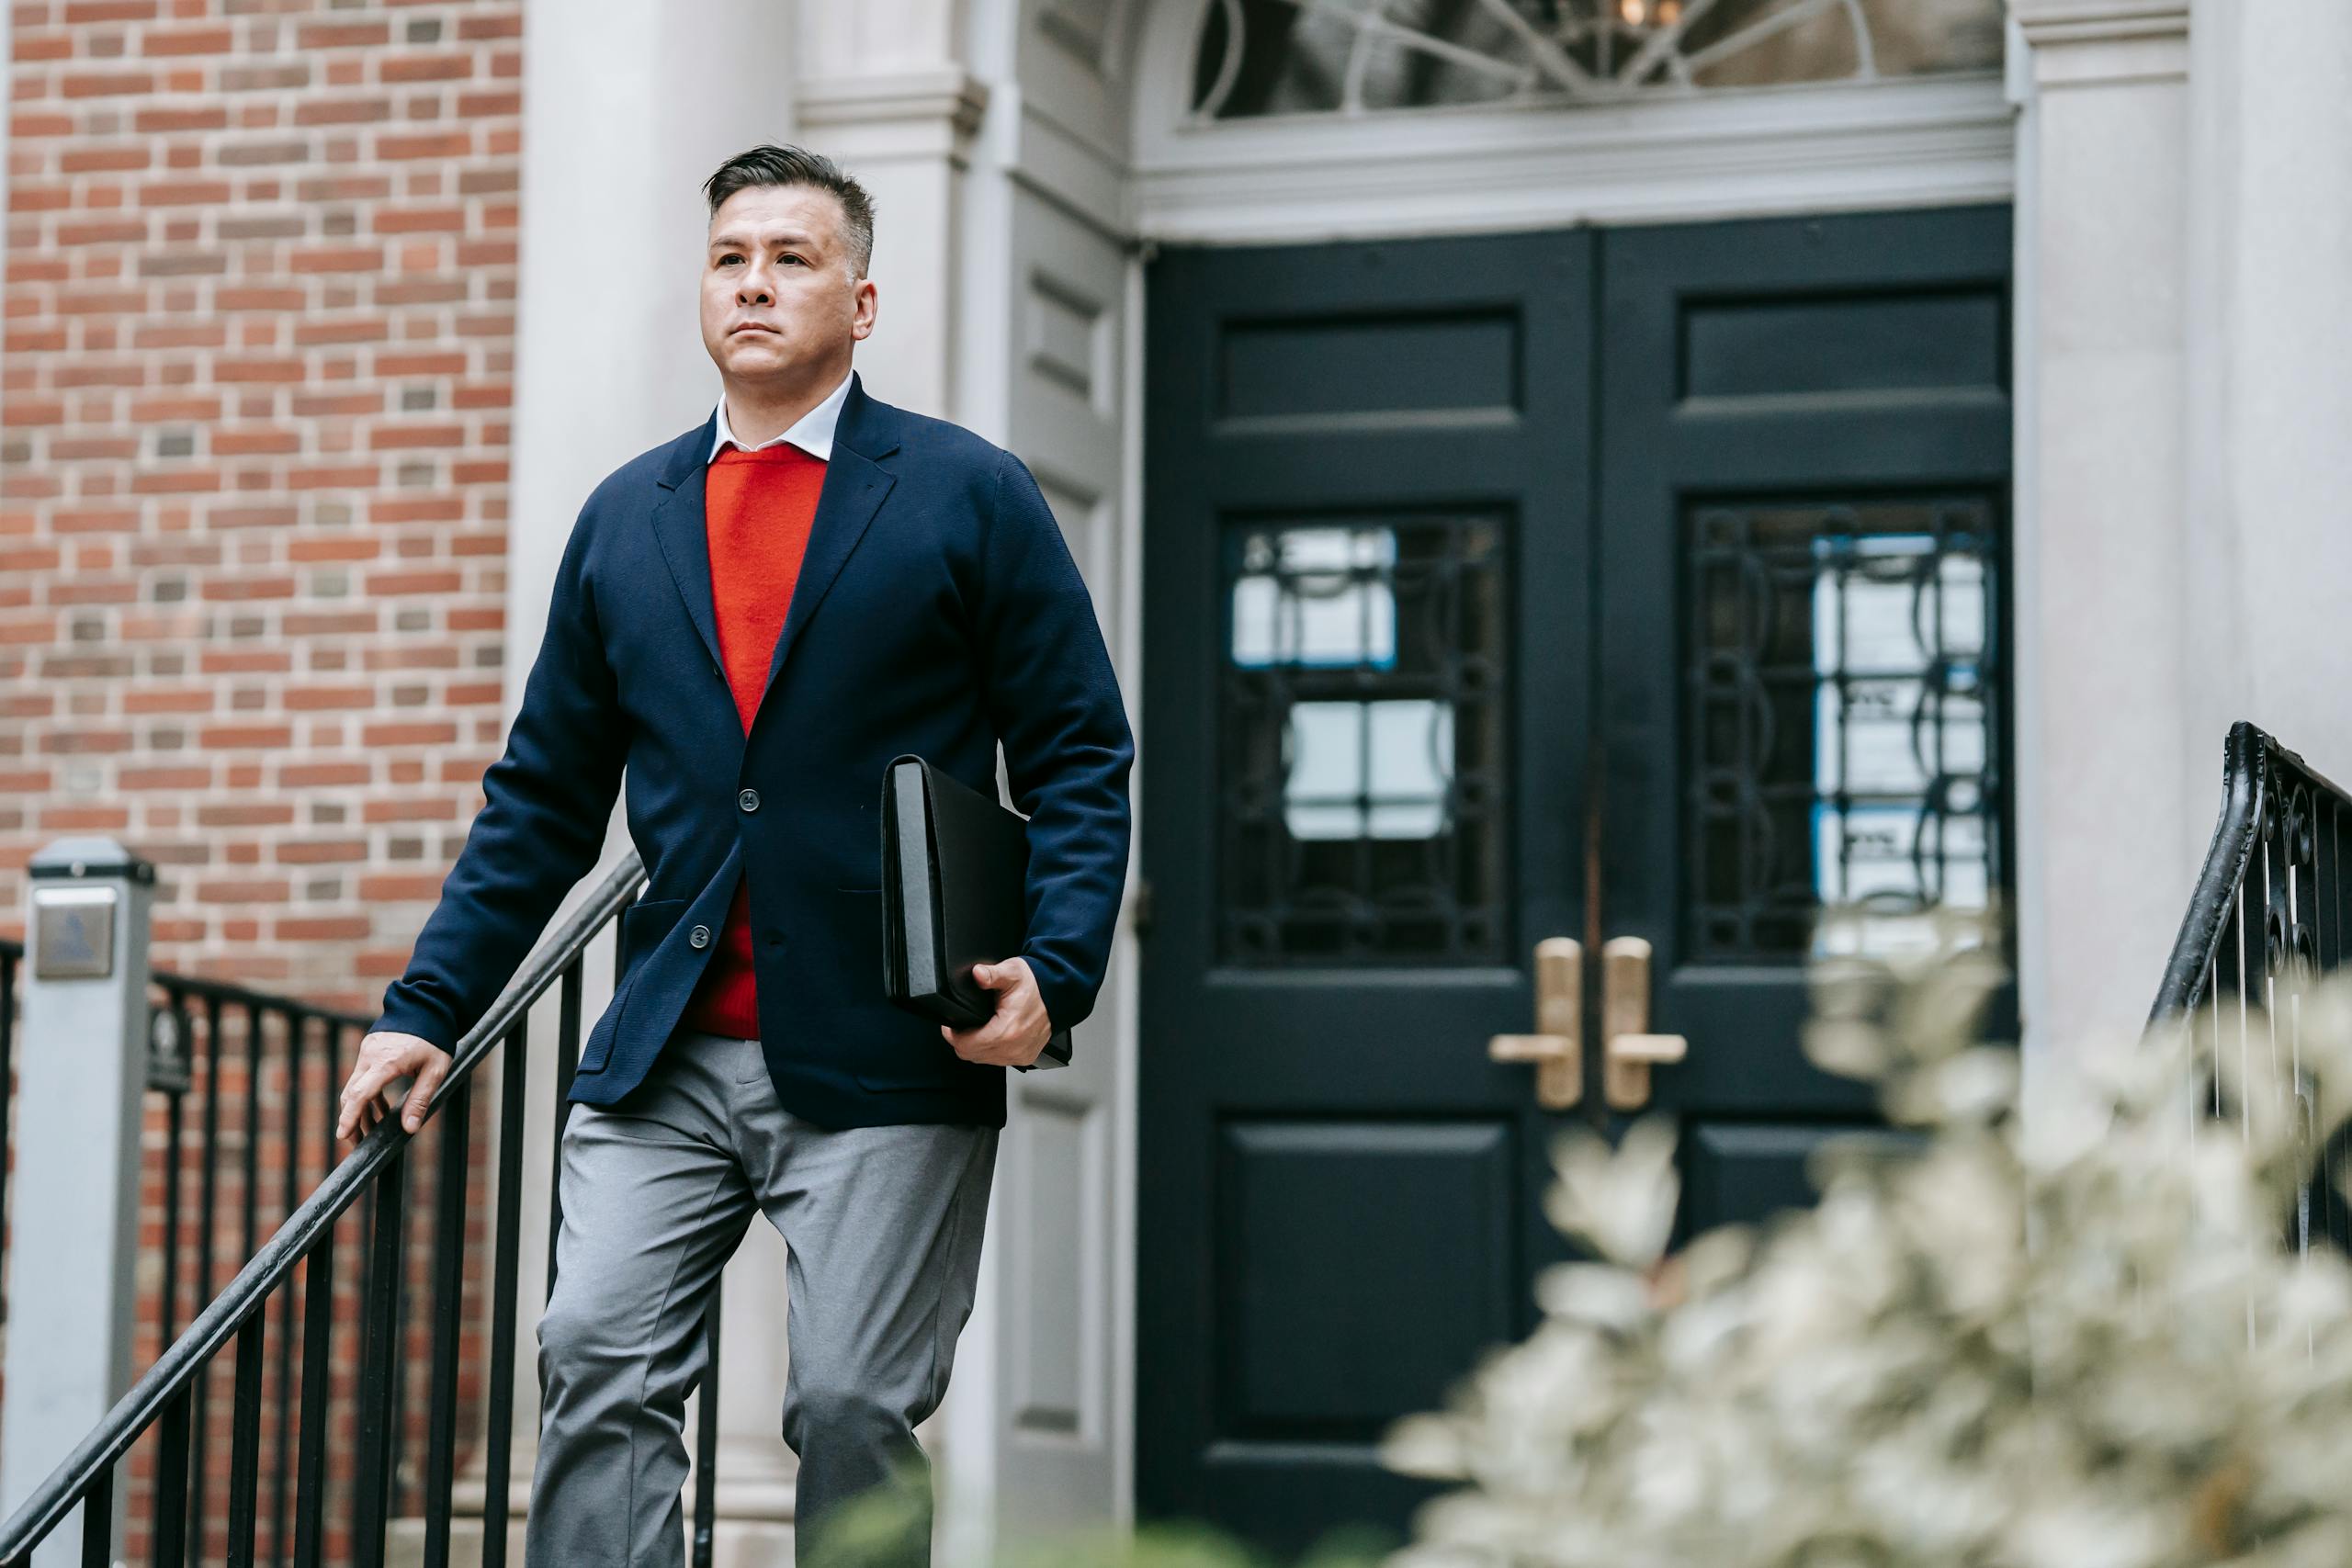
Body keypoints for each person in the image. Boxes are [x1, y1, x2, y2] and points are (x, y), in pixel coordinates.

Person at [333, 142, 1134, 1567]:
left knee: (849, 1407)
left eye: (792, 258)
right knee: (592, 1357)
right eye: (730, 258)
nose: (754, 283)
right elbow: (541, 798)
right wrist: (425, 1010)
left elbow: (1077, 748)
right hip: (667, 1048)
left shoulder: (967, 493)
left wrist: (1055, 972)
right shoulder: (625, 516)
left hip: (895, 1044)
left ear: (863, 301)